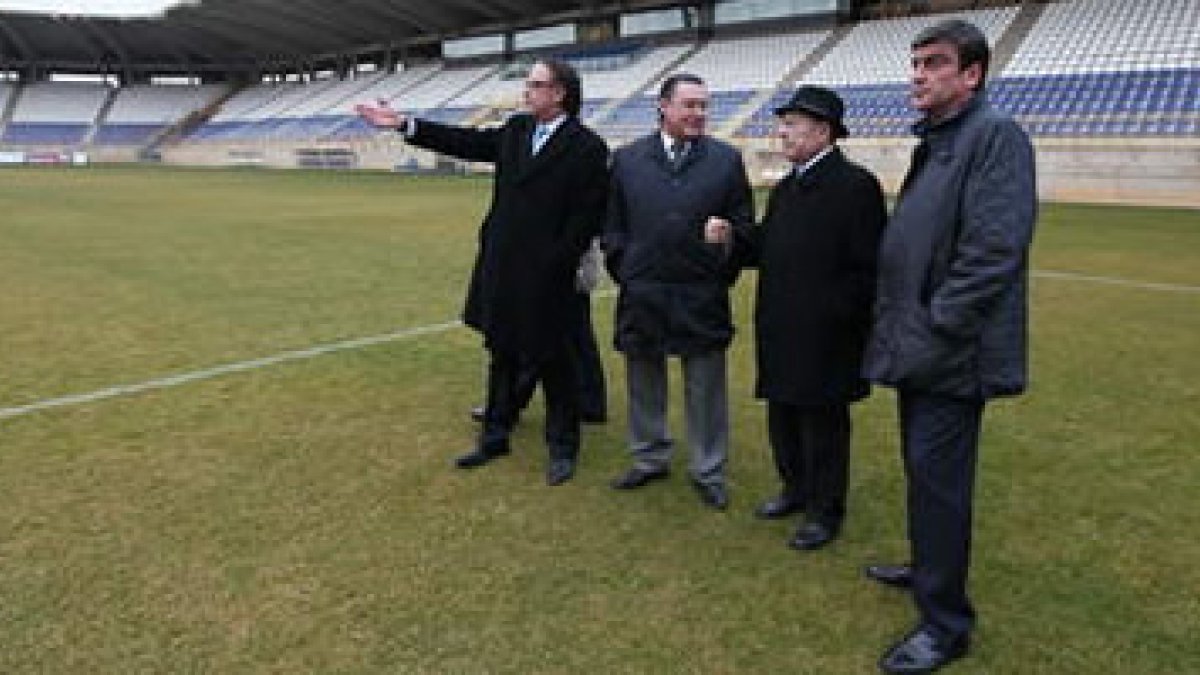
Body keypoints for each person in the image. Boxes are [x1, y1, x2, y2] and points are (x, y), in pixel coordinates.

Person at [860, 19, 1037, 673]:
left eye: (935, 63)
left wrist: (937, 324)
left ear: (972, 74)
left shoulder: (995, 137)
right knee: (923, 472)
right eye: (915, 62)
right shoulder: (938, 141)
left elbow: (993, 252)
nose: (918, 74)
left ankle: (946, 624)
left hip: (949, 353)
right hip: (918, 345)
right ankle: (926, 565)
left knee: (940, 483)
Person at [356, 58, 609, 486]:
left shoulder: (587, 147)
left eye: (535, 84)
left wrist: (555, 266)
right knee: (502, 354)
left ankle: (562, 447)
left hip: (549, 276)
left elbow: (585, 220)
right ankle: (494, 436)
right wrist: (403, 124)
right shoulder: (515, 131)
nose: (527, 91)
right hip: (504, 266)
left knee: (554, 364)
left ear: (559, 92)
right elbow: (466, 142)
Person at [706, 85, 886, 550]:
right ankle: (795, 489)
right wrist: (732, 239)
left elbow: (869, 270)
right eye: (781, 122)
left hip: (827, 335)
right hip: (781, 327)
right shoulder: (788, 186)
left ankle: (825, 512)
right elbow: (767, 245)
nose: (781, 131)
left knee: (823, 426)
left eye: (791, 123)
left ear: (823, 131)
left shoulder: (856, 187)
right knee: (783, 415)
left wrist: (838, 319)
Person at [604, 73, 754, 510]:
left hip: (700, 291)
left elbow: (745, 225)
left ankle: (707, 468)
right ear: (663, 107)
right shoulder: (628, 160)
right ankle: (649, 456)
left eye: (704, 106)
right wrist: (625, 267)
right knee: (643, 377)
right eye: (689, 105)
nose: (698, 114)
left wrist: (727, 236)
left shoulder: (726, 161)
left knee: (705, 384)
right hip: (643, 289)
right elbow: (612, 223)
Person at [469, 239, 607, 425]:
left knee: (570, 338)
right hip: (539, 269)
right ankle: (507, 403)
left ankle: (589, 403)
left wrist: (581, 276)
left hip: (563, 272)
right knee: (557, 338)